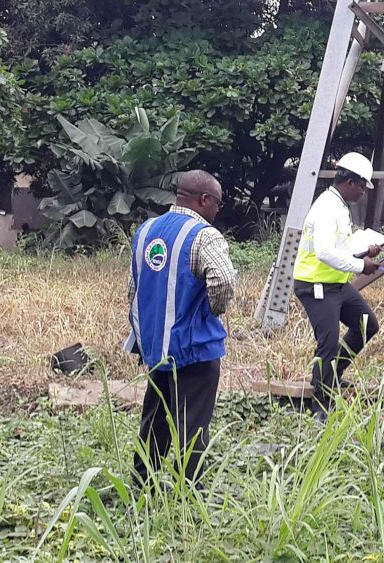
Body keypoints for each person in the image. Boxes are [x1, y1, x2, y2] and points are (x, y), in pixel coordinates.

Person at [126, 169, 237, 486]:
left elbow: (133, 290)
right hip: (195, 350)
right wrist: (213, 311)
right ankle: (190, 495)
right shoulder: (204, 235)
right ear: (204, 200)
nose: (217, 210)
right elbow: (224, 281)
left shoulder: (146, 231)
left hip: (157, 349)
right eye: (217, 203)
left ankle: (142, 484)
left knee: (156, 419)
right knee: (193, 427)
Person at [293, 152, 382, 420]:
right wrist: (361, 266)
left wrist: (364, 249)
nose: (363, 193)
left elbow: (339, 246)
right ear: (351, 182)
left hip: (336, 283)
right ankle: (320, 404)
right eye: (363, 187)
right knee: (328, 343)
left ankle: (332, 376)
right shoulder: (327, 208)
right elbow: (323, 252)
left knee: (367, 324)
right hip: (315, 284)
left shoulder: (339, 205)